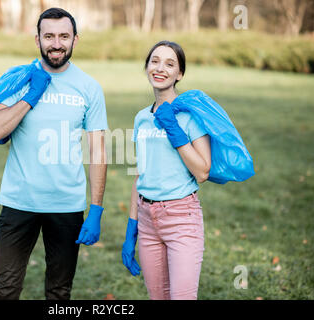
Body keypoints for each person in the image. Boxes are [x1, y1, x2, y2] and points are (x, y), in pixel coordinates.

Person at [0, 7, 108, 300]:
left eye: (63, 36)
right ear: (36, 39)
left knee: (59, 293)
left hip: (67, 205)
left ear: (75, 39)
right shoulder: (21, 80)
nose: (56, 43)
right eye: (48, 36)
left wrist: (97, 209)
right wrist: (30, 96)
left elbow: (98, 151)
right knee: (6, 290)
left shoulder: (89, 88)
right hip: (19, 201)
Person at [121, 41, 211, 300]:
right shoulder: (141, 118)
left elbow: (202, 172)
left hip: (181, 218)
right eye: (155, 61)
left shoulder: (191, 116)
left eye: (170, 64)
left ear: (179, 74)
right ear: (147, 67)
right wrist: (131, 229)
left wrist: (174, 130)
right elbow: (140, 173)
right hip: (148, 220)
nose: (161, 68)